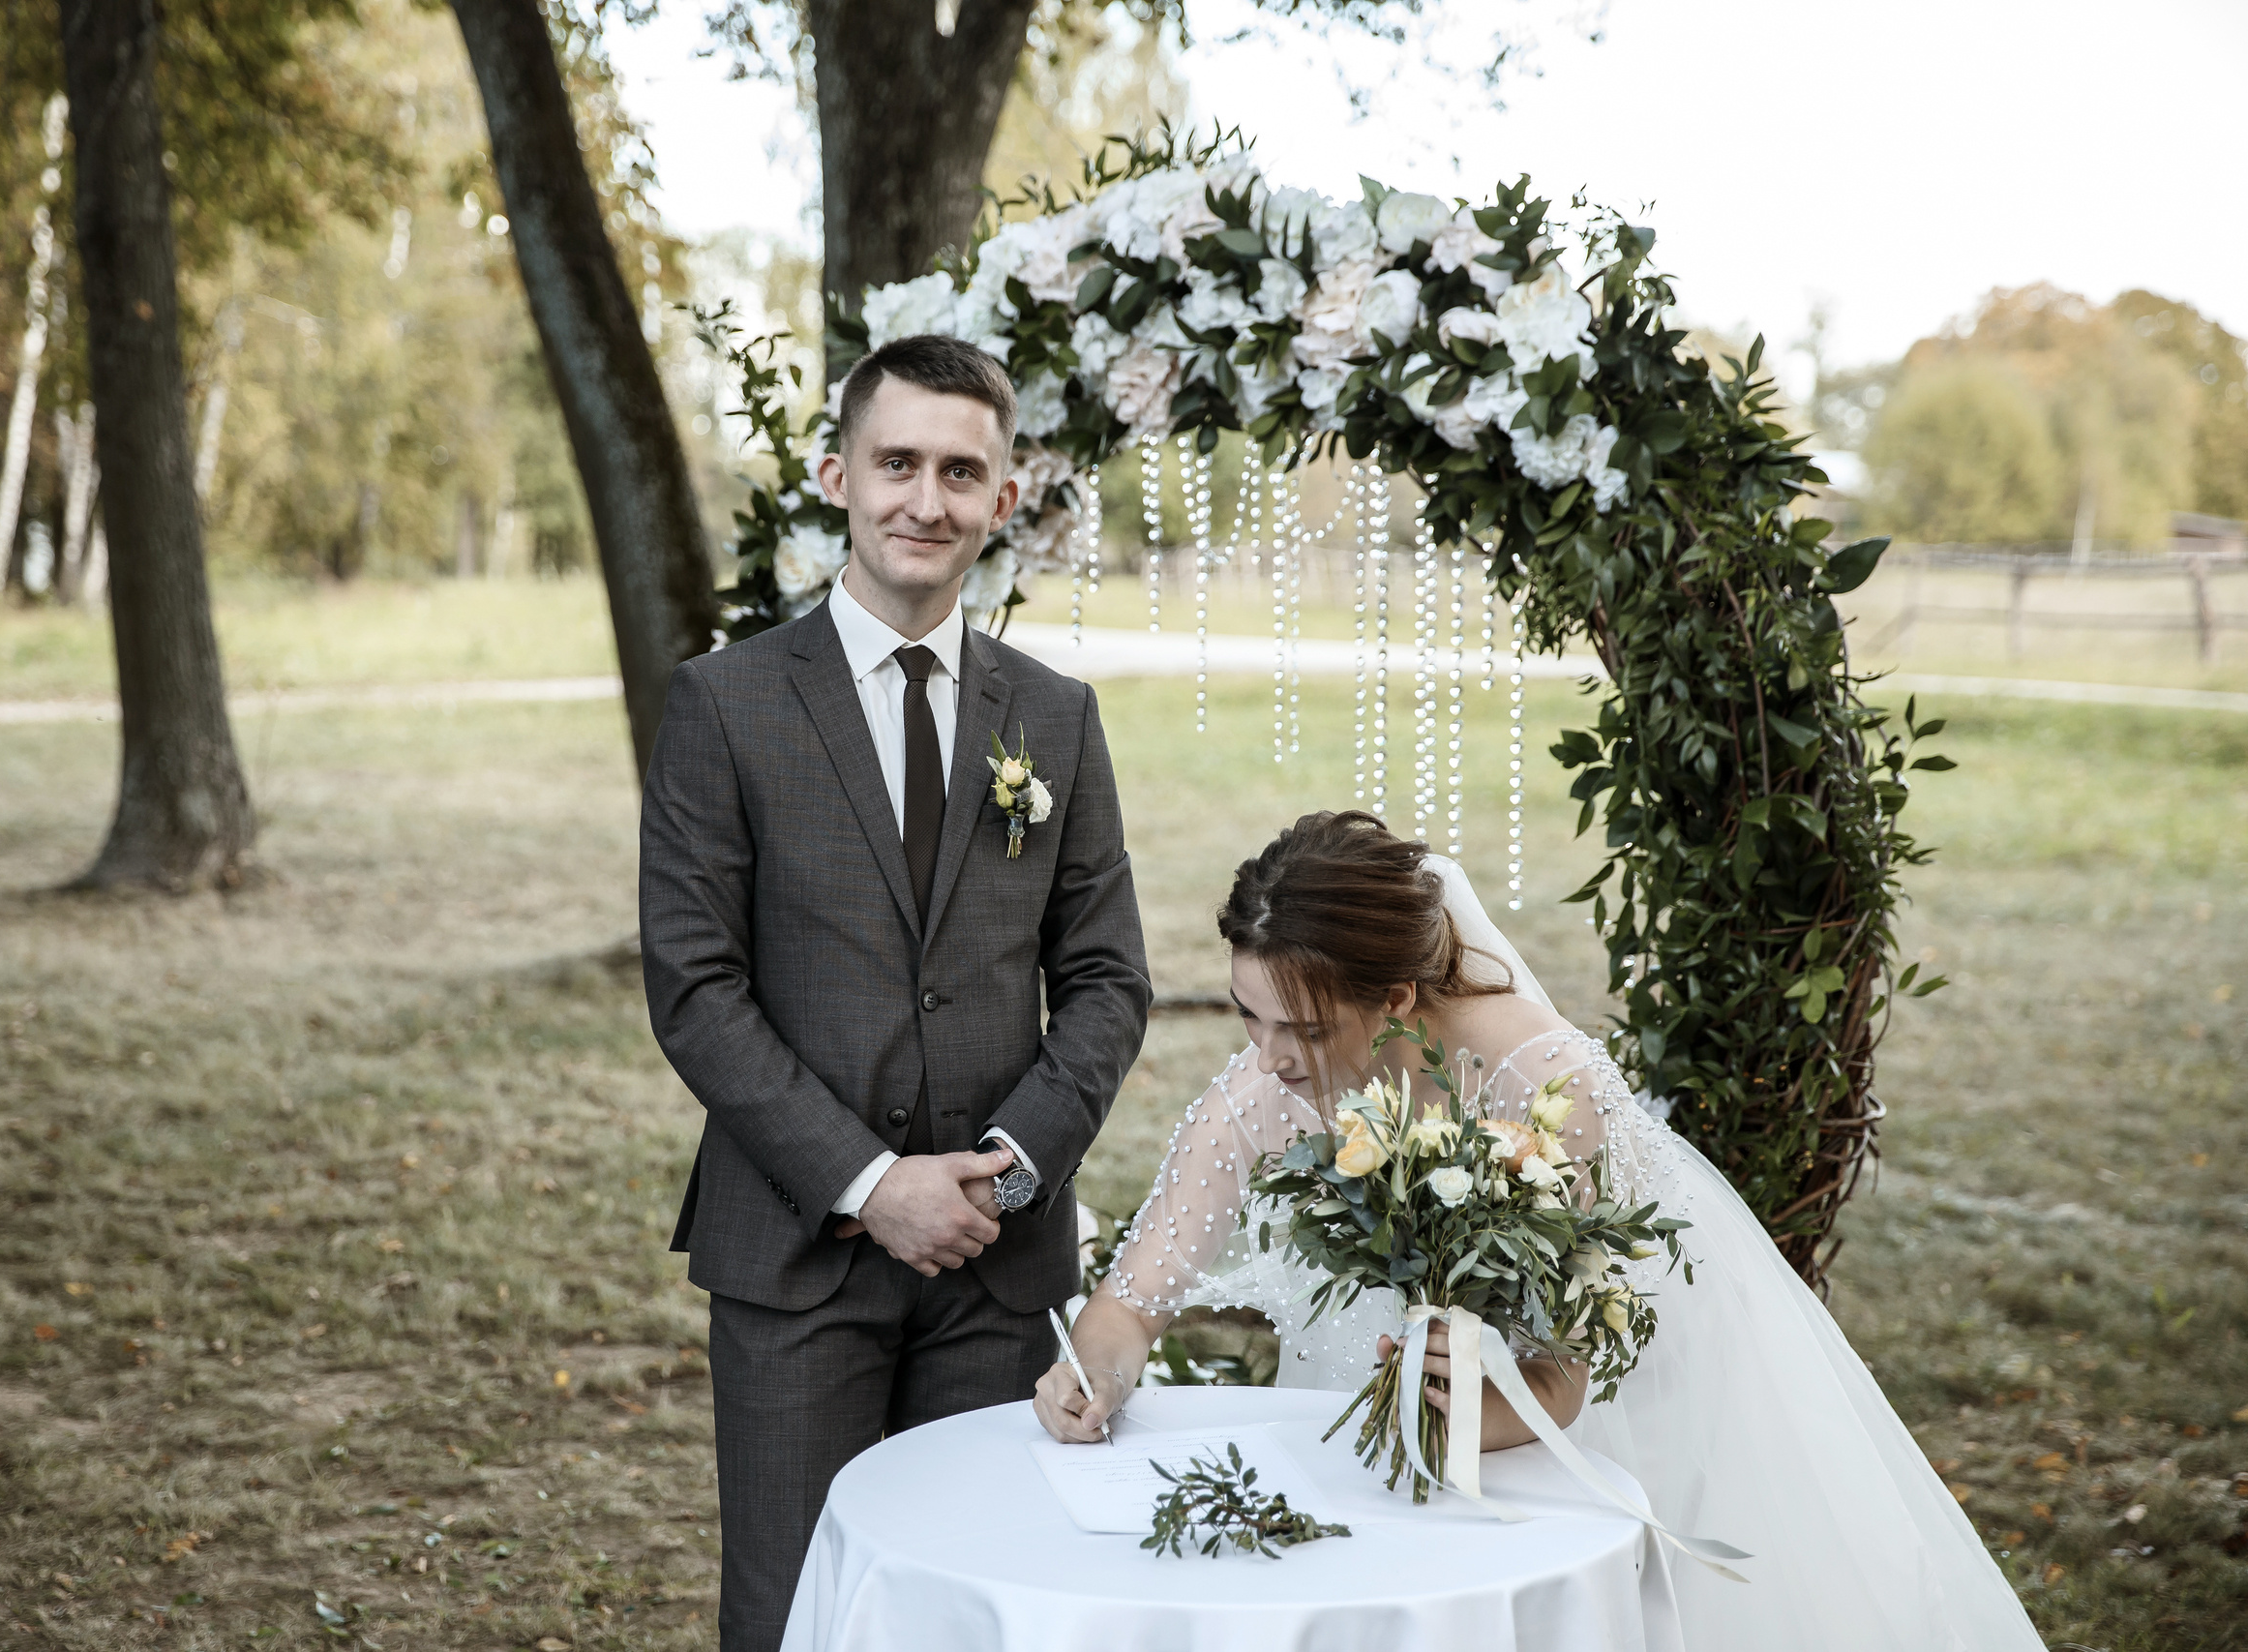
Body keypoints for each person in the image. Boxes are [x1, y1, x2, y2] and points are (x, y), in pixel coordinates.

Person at [1037, 811, 2047, 1652]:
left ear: (1393, 1000)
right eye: (1244, 1016)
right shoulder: (1262, 1088)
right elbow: (1138, 1291)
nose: (1264, 1059)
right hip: (1385, 1423)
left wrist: (1451, 1412)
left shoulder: (1542, 1091)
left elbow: (1566, 1377)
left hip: (1594, 1417)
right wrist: (1097, 1368)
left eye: (1298, 1030)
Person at [640, 333, 1153, 1652]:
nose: (927, 498)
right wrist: (875, 1182)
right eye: (898, 463)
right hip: (799, 1252)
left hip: (1000, 1260)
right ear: (837, 476)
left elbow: (1107, 979)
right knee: (796, 1605)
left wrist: (1007, 1170)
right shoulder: (723, 704)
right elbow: (696, 988)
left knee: (986, 1608)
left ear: (1006, 497)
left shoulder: (1056, 715)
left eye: (961, 471)